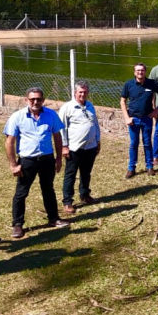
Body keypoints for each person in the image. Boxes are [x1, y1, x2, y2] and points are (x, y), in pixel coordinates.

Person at [4, 87, 70, 239]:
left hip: (47, 159)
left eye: (39, 99)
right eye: (32, 99)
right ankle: (17, 225)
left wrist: (59, 158)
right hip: (27, 161)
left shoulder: (51, 115)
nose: (36, 102)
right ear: (26, 100)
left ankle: (53, 218)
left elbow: (57, 137)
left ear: (43, 100)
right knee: (21, 193)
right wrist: (13, 164)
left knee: (48, 189)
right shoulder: (17, 117)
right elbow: (10, 142)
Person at [58, 81, 101, 215]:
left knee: (86, 172)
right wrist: (64, 146)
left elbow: (95, 124)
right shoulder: (67, 107)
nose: (83, 94)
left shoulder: (90, 106)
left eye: (85, 92)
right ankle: (67, 201)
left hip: (90, 147)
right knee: (70, 174)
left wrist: (98, 141)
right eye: (80, 92)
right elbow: (61, 128)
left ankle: (84, 194)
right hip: (74, 148)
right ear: (75, 93)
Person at [120, 63, 158, 178]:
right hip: (133, 119)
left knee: (147, 143)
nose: (140, 72)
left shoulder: (151, 83)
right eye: (138, 70)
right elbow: (122, 101)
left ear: (145, 71)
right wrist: (126, 117)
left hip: (147, 119)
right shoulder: (128, 84)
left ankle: (149, 167)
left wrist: (157, 110)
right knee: (133, 144)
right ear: (134, 72)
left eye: (142, 70)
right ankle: (131, 168)